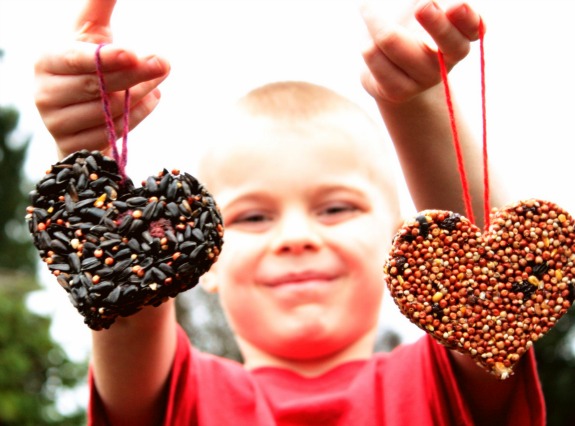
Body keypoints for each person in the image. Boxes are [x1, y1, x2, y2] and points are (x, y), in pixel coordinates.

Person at [33, 0, 545, 425]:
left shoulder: (439, 386)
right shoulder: (183, 397)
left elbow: (489, 294)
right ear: (202, 258)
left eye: (336, 208)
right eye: (253, 218)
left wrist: (416, 97)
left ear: (399, 240)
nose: (296, 237)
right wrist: (90, 150)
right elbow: (124, 298)